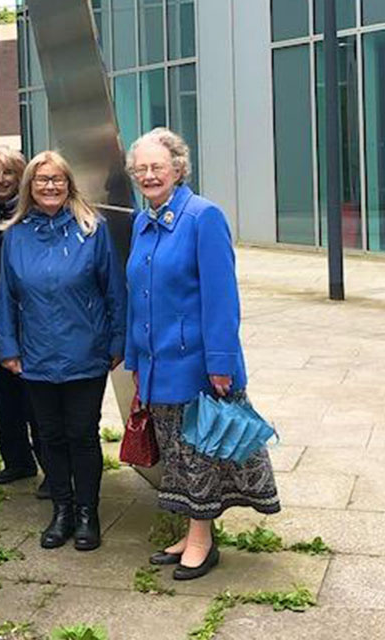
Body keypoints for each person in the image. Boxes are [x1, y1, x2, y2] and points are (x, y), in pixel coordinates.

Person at [125, 127, 280, 580]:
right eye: (141, 169)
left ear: (178, 168)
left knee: (199, 455)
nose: (149, 175)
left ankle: (201, 541)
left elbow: (221, 297)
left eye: (157, 166)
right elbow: (139, 294)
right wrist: (134, 359)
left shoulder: (202, 216)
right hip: (155, 365)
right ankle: (191, 533)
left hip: (195, 366)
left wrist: (221, 363)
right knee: (176, 455)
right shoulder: (142, 220)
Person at [0, 150, 125, 552]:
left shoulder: (92, 229)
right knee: (50, 436)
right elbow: (5, 297)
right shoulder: (15, 235)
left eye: (57, 179)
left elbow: (114, 290)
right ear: (29, 187)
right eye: (41, 180)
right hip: (36, 355)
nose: (50, 186)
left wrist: (118, 341)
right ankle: (62, 510)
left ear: (69, 184)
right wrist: (8, 346)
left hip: (86, 353)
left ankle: (88, 513)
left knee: (82, 435)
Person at [0, 147, 48, 498]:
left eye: (9, 173)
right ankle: (16, 461)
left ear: (21, 178)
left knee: (35, 394)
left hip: (29, 315)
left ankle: (51, 464)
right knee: (3, 394)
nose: (1, 180)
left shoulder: (31, 215)